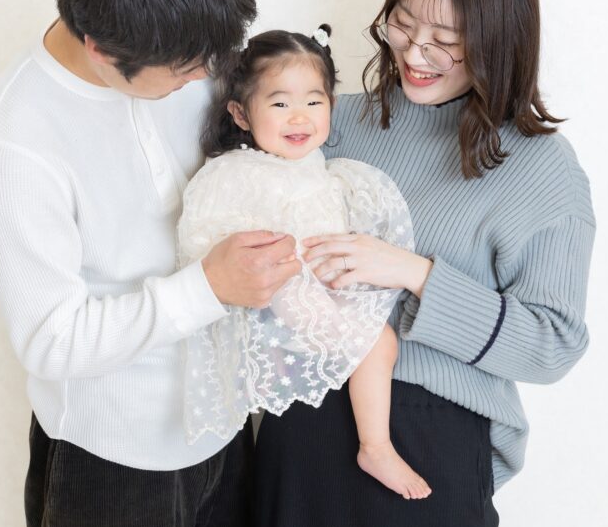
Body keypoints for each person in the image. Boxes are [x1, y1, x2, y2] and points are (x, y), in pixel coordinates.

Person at [0, 0, 302, 527]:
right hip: (110, 465)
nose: (204, 78)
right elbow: (51, 339)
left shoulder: (182, 49)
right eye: (184, 70)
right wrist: (207, 289)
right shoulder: (16, 146)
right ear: (99, 48)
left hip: (221, 426)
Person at [253, 0, 595, 527]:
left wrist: (414, 273)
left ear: (501, 39)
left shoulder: (539, 168)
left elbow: (552, 343)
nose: (414, 52)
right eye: (402, 24)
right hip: (300, 435)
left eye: (446, 39)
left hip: (424, 449)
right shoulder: (331, 120)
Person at [177, 26, 431, 500]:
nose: (299, 117)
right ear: (241, 113)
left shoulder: (320, 167)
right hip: (282, 290)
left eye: (314, 101)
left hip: (318, 287)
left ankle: (372, 440)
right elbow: (222, 243)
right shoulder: (239, 173)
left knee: (381, 340)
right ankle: (375, 446)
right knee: (379, 342)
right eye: (279, 104)